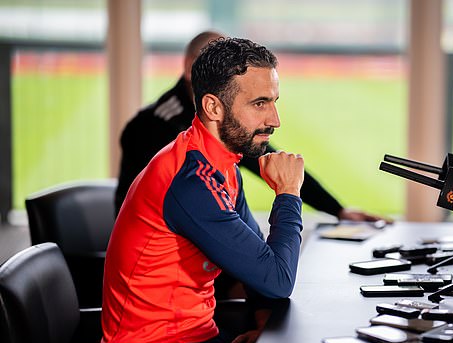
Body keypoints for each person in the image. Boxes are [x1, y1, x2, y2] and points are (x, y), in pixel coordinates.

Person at [101, 38, 303, 343]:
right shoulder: (191, 181)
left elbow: (256, 264)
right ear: (213, 108)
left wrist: (263, 321)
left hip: (195, 336)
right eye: (260, 103)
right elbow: (278, 279)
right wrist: (288, 193)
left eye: (274, 102)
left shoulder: (220, 164)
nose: (275, 119)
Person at [115, 30, 388, 223]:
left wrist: (337, 210)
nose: (273, 120)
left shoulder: (227, 124)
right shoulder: (152, 126)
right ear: (192, 71)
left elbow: (267, 157)